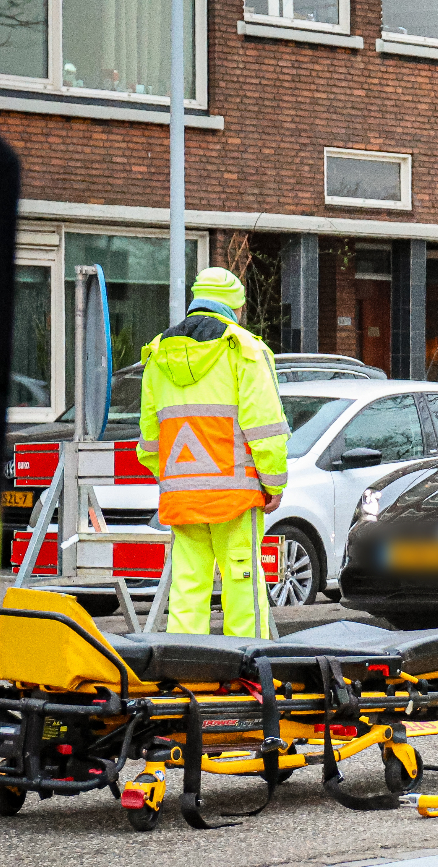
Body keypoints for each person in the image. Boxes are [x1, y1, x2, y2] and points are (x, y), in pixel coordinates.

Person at [136, 267, 288, 637]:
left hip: (182, 493)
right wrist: (274, 484)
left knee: (187, 583)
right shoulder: (244, 349)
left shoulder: (158, 354)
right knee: (242, 578)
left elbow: (149, 440)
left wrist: (174, 478)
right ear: (235, 307)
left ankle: (188, 668)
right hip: (235, 493)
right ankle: (250, 668)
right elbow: (264, 428)